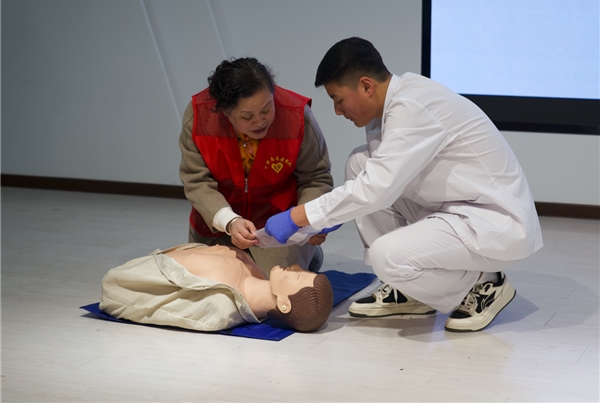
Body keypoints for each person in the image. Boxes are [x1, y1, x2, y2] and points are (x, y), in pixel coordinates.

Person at [265, 37, 544, 333]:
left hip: (491, 219)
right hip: (457, 206)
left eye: (338, 99)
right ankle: (411, 289)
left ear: (366, 86)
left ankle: (485, 284)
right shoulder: (389, 107)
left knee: (386, 255)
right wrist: (321, 218)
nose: (337, 110)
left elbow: (376, 189)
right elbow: (377, 181)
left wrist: (300, 216)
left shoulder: (413, 106)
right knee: (359, 163)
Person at [179, 57, 334, 278]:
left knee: (271, 282)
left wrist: (308, 222)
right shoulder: (200, 117)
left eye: (267, 109)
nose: (260, 121)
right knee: (208, 281)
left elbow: (316, 177)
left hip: (278, 225)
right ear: (225, 111)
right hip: (218, 221)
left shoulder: (296, 116)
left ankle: (311, 255)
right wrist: (229, 221)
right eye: (247, 116)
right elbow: (196, 181)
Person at [100, 243, 334, 333]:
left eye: (298, 276)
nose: (295, 267)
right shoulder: (255, 271)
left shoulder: (219, 304)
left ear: (284, 304)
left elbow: (116, 288)